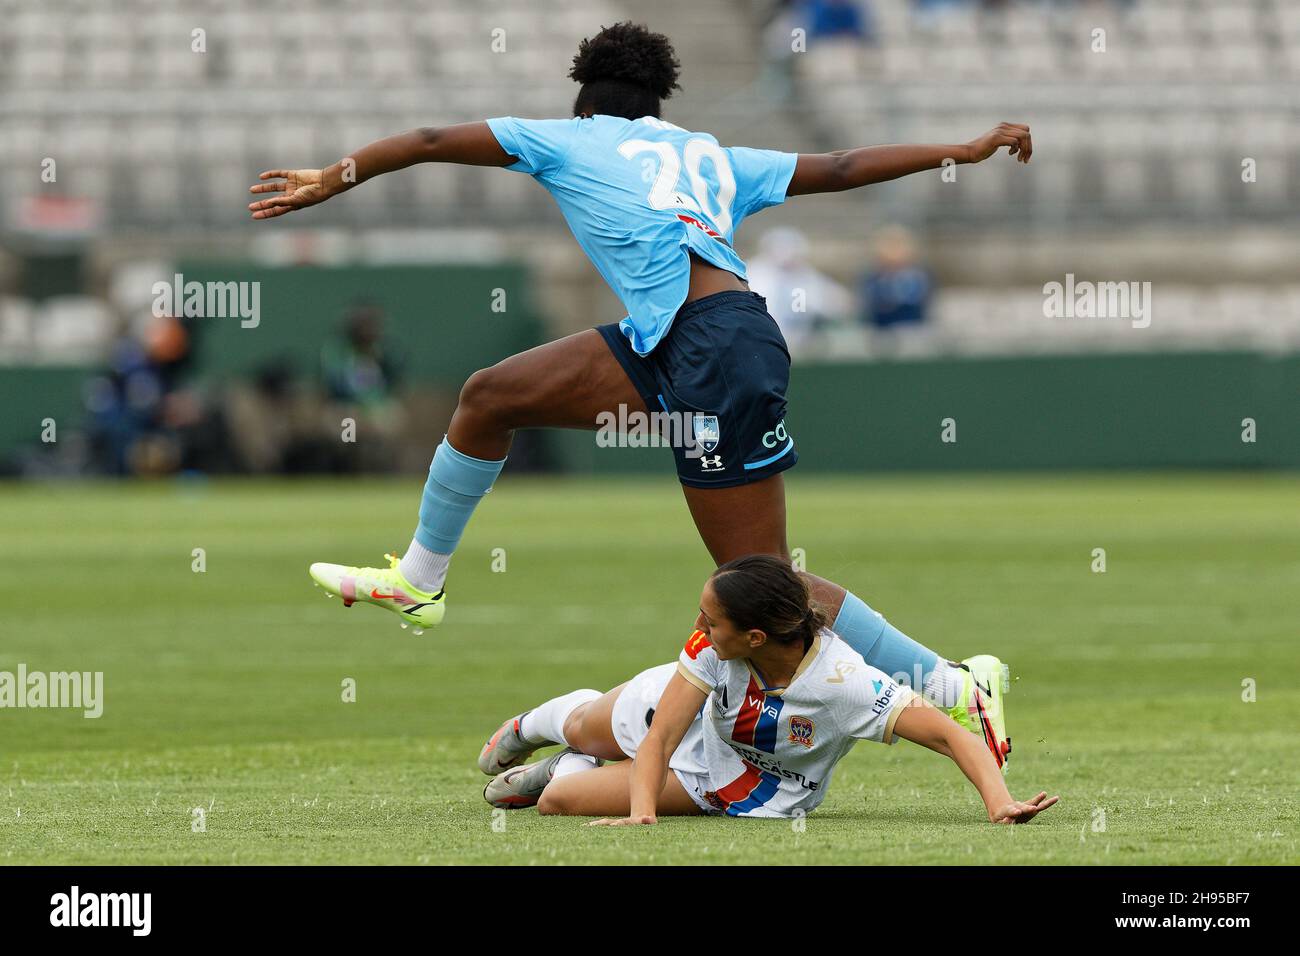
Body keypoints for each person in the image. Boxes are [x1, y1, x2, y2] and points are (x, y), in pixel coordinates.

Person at [248, 22, 1031, 755]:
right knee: (493, 395)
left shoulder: (569, 138)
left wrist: (332, 177)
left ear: (584, 100)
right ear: (656, 102)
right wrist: (960, 148)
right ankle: (419, 582)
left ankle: (954, 687)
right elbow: (845, 167)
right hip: (674, 339)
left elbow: (425, 140)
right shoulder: (710, 153)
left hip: (715, 349)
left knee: (760, 584)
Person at [477, 556, 1051, 823]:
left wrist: (1000, 804)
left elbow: (951, 734)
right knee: (586, 727)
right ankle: (533, 729)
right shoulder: (711, 648)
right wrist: (642, 814)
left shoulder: (845, 683)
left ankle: (562, 770)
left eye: (710, 619)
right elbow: (663, 736)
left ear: (754, 635)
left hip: (741, 780)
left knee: (556, 802)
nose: (698, 627)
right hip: (687, 718)